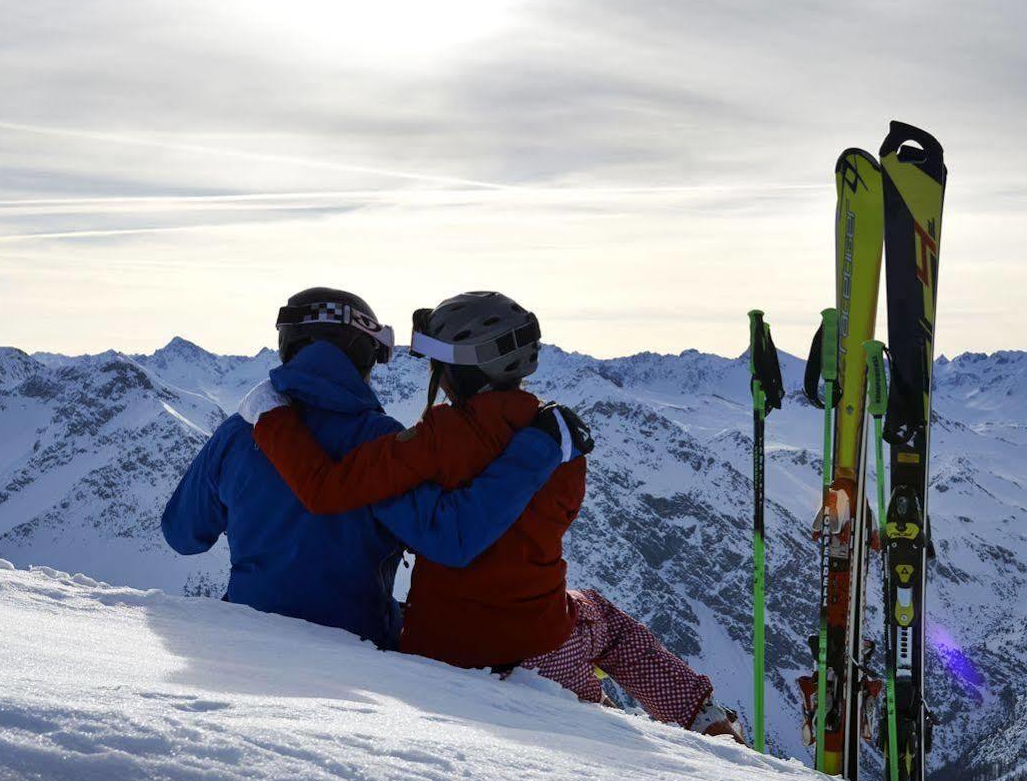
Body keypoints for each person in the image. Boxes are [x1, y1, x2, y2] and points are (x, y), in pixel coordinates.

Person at [246, 290, 745, 742]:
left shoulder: (438, 436)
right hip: (548, 644)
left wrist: (271, 415)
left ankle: (598, 714)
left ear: (459, 371)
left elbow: (326, 488)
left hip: (444, 655)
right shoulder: (563, 442)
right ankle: (700, 718)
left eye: (436, 366)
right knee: (605, 621)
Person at [160, 287, 582, 647]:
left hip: (247, 630)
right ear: (363, 357)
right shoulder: (385, 440)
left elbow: (183, 536)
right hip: (358, 638)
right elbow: (440, 534)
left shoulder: (241, 429)